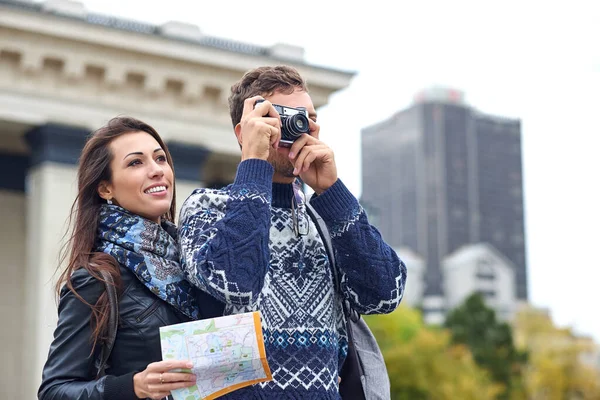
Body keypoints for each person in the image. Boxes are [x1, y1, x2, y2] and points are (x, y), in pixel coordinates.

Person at [178, 65, 407, 399]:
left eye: (308, 118)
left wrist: (332, 191)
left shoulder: (327, 216)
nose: (300, 128)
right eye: (281, 117)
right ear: (244, 131)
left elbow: (386, 294)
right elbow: (236, 282)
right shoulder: (206, 205)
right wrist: (253, 162)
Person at [39, 117, 199, 400]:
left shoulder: (198, 262)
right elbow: (54, 391)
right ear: (105, 189)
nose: (156, 171)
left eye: (160, 159)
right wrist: (133, 386)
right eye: (136, 163)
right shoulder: (97, 278)